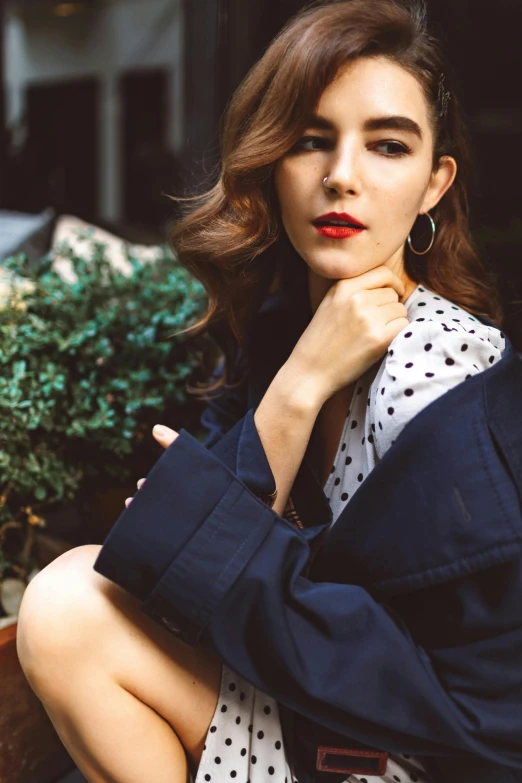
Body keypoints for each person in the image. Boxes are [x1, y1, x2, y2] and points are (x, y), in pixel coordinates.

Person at [16, 1, 522, 783]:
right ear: (270, 161)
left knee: (69, 609)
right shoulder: (290, 328)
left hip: (395, 756)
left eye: (387, 145)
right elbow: (167, 555)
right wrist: (300, 386)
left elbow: (478, 711)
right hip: (296, 709)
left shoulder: (444, 371)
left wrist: (212, 525)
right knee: (69, 605)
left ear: (433, 183)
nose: (341, 176)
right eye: (310, 140)